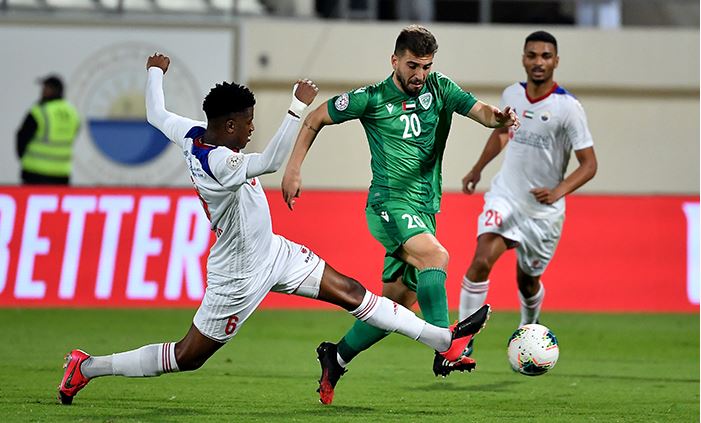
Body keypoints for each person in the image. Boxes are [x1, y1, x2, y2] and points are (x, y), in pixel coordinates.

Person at [57, 53, 492, 406]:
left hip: (275, 253)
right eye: (248, 122)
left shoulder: (191, 134)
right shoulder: (220, 162)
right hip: (238, 275)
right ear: (229, 125)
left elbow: (156, 113)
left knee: (354, 294)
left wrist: (155, 72)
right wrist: (296, 108)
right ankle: (88, 366)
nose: (251, 129)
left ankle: (444, 340)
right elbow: (269, 162)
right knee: (187, 357)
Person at [281, 24, 519, 403]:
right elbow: (315, 118)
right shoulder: (372, 98)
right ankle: (446, 346)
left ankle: (336, 357)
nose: (420, 74)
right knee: (436, 257)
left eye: (426, 66)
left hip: (425, 207)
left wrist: (500, 118)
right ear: (395, 61)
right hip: (388, 204)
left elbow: (483, 113)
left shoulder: (440, 88)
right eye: (412, 66)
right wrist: (293, 169)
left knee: (397, 305)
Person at [458, 31, 597, 348]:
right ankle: (462, 340)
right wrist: (478, 168)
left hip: (543, 212)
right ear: (523, 58)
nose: (538, 62)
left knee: (528, 280)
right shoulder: (512, 95)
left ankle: (529, 326)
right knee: (481, 259)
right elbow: (502, 134)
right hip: (506, 196)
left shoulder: (568, 108)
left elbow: (589, 164)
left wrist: (558, 191)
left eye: (545, 56)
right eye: (532, 55)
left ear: (556, 61)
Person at [16, 75, 81, 185]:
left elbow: (22, 137)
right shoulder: (72, 112)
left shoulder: (40, 112)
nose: (42, 91)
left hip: (35, 172)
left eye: (46, 88)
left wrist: (24, 157)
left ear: (54, 90)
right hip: (61, 173)